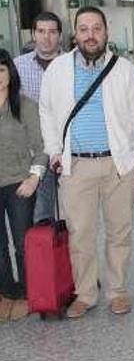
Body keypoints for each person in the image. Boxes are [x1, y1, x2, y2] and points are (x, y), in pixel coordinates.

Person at [39, 6, 134, 319]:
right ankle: (85, 293)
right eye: (84, 29)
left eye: (96, 28)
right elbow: (47, 111)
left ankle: (118, 291)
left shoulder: (123, 69)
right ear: (75, 34)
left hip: (117, 166)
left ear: (106, 32)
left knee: (119, 232)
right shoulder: (58, 69)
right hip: (77, 167)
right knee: (80, 233)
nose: (90, 35)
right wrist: (55, 150)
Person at [0, 50, 46, 321]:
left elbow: (41, 147)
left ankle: (30, 292)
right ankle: (6, 291)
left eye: (2, 70)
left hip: (20, 183)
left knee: (21, 241)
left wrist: (34, 177)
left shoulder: (24, 105)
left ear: (10, 73)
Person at [15, 12, 63, 224]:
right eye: (41, 31)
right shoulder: (18, 66)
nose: (46, 37)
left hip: (67, 150)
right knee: (38, 216)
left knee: (74, 217)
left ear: (60, 35)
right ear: (33, 34)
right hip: (33, 152)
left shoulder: (72, 64)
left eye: (52, 32)